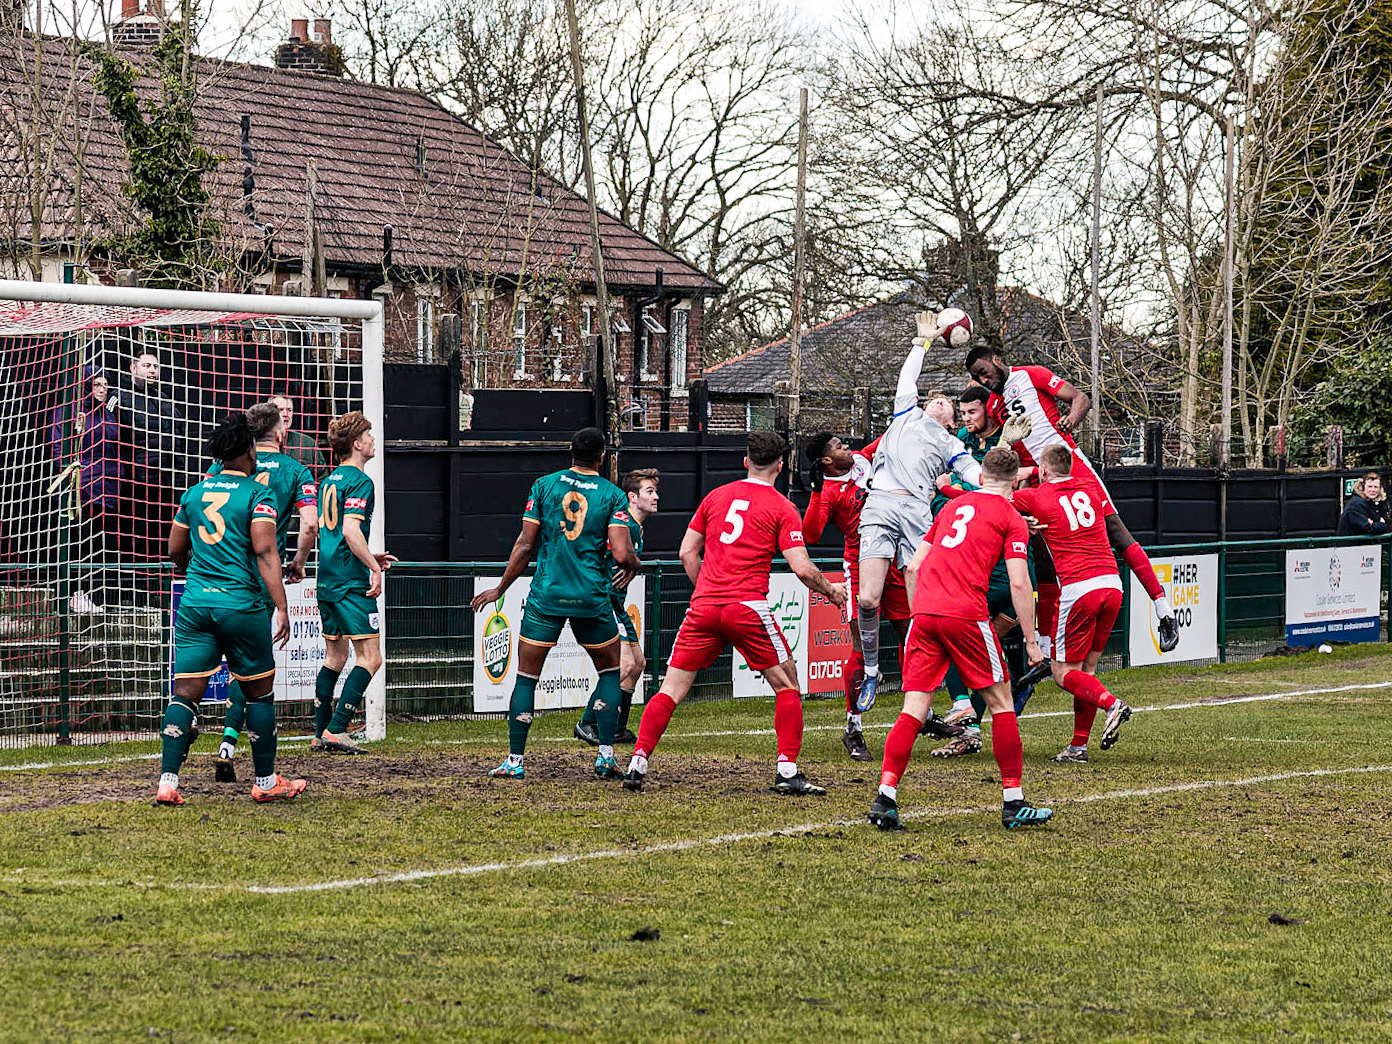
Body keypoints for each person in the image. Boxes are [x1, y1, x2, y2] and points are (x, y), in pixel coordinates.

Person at [623, 431, 847, 794]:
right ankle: (787, 770)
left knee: (670, 689)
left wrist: (706, 591)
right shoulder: (781, 507)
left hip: (704, 606)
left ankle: (638, 760)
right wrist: (831, 590)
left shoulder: (716, 496)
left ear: (746, 462)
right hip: (747, 607)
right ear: (781, 465)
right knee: (787, 683)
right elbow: (802, 569)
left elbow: (686, 553)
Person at [868, 447, 1051, 832]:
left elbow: (914, 566)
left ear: (980, 476)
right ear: (1016, 480)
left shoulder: (950, 509)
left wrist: (920, 614)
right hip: (966, 613)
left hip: (926, 615)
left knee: (914, 708)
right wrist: (1032, 642)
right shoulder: (1011, 517)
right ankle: (1013, 801)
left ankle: (886, 797)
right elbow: (1019, 582)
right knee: (1001, 704)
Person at [855, 312, 1030, 714]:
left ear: (952, 419)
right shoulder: (905, 413)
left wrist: (1004, 440)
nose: (936, 398)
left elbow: (989, 480)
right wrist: (923, 342)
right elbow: (906, 380)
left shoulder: (952, 447)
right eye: (931, 396)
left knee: (925, 607)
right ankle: (870, 670)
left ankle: (931, 682)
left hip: (917, 514)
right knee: (868, 599)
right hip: (881, 503)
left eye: (945, 401)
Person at [965, 345, 1180, 659]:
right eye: (976, 377)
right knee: (1041, 558)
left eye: (983, 372)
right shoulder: (996, 406)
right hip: (1039, 478)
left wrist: (1071, 420)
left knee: (1116, 532)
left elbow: (1080, 398)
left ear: (997, 360)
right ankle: (1046, 646)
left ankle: (1163, 608)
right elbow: (1013, 458)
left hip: (1070, 466)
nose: (983, 380)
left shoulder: (1032, 374)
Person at [472, 428, 640, 779]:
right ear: (603, 456)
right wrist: (634, 565)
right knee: (609, 672)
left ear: (569, 451)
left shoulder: (544, 486)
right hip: (590, 597)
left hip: (546, 595)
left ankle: (515, 761)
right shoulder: (612, 495)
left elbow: (524, 544)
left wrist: (500, 589)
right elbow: (622, 552)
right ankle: (606, 756)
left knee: (525, 678)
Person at [156, 415, 305, 806]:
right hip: (241, 604)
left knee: (185, 695)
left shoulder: (194, 493)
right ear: (249, 450)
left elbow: (174, 551)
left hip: (195, 605)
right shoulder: (258, 495)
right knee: (259, 696)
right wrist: (282, 606)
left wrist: (199, 572)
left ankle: (168, 782)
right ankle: (267, 781)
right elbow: (265, 550)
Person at [208, 403, 321, 781]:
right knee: (254, 671)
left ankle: (199, 739)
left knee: (201, 670)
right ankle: (243, 757)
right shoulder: (297, 470)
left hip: (214, 577)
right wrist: (299, 563)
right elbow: (309, 524)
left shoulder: (220, 468)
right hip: (259, 578)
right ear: (280, 433)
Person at [928, 384, 1040, 758]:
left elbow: (1015, 482)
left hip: (999, 574)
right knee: (976, 645)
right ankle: (975, 720)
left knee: (968, 644)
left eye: (971, 413)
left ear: (990, 411)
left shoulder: (1014, 438)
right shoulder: (959, 442)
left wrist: (953, 490)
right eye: (961, 414)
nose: (965, 420)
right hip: (981, 571)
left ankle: (973, 711)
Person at [1012, 445, 1133, 762]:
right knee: (1087, 672)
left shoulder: (1036, 497)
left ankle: (1111, 704)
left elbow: (1001, 494)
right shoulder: (1091, 489)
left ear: (1044, 470)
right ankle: (1078, 747)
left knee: (1063, 673)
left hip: (1078, 589)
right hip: (1111, 583)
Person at [802, 431, 912, 762]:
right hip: (862, 565)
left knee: (912, 636)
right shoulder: (828, 492)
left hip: (894, 560)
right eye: (839, 446)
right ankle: (854, 726)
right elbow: (811, 534)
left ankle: (916, 712)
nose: (847, 447)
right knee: (862, 648)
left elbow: (895, 432)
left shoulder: (863, 459)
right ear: (826, 460)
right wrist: (815, 491)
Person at [314, 411, 397, 754]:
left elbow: (336, 533)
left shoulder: (329, 480)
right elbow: (349, 529)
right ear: (357, 443)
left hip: (327, 578)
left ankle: (321, 732)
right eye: (369, 435)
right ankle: (337, 729)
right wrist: (373, 570)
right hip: (350, 582)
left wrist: (369, 556)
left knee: (335, 657)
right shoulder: (361, 481)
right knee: (371, 657)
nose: (374, 440)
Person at [575, 468, 660, 747]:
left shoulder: (637, 527)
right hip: (606, 600)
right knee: (622, 665)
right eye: (649, 492)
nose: (656, 497)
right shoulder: (624, 525)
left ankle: (618, 728)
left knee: (637, 665)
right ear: (632, 497)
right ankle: (588, 722)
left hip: (618, 603)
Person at [48, 367, 124, 612]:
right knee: (79, 540)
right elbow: (58, 445)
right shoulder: (71, 412)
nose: (102, 389)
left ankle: (97, 594)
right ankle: (73, 592)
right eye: (97, 385)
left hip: (108, 487)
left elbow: (119, 446)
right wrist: (69, 473)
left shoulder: (110, 414)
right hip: (81, 487)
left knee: (103, 542)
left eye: (105, 385)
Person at [118, 350, 183, 564]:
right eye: (146, 366)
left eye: (155, 366)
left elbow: (177, 439)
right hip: (136, 484)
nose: (152, 371)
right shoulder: (120, 399)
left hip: (165, 483)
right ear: (132, 368)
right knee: (136, 540)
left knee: (163, 538)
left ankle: (159, 587)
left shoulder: (165, 401)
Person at [270, 394, 327, 478]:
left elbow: (321, 477)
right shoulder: (259, 442)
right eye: (281, 410)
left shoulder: (307, 444)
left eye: (289, 410)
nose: (286, 414)